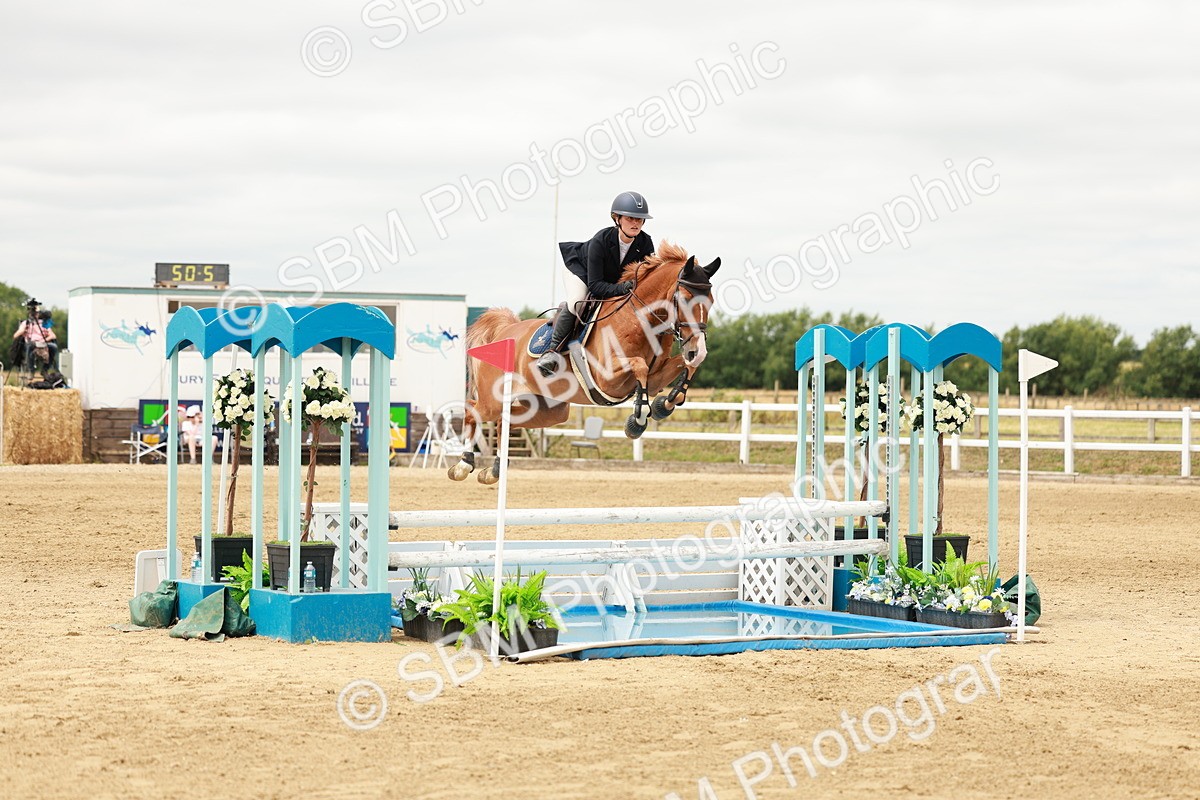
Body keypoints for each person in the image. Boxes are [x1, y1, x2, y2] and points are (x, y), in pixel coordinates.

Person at [535, 191, 656, 377]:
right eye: (631, 218)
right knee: (577, 300)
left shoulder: (646, 243)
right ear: (617, 219)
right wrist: (623, 288)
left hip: (611, 279)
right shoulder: (601, 240)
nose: (635, 223)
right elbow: (595, 286)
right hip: (581, 271)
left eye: (640, 220)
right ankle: (552, 352)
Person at [11, 298, 58, 375]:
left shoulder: (44, 323)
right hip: (31, 344)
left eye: (36, 313)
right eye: (33, 313)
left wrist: (44, 339)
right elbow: (15, 336)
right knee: (30, 346)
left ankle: (45, 369)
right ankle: (31, 371)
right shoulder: (26, 323)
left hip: (43, 343)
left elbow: (53, 335)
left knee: (53, 346)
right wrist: (23, 331)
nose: (34, 314)